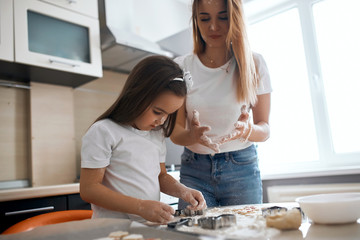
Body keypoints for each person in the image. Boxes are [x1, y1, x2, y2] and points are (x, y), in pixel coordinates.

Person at [79, 55, 206, 224]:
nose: (161, 121)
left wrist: (183, 191)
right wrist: (140, 206)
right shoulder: (104, 131)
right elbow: (89, 189)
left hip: (147, 229)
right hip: (112, 230)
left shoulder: (157, 134)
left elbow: (161, 176)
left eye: (169, 114)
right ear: (137, 95)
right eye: (157, 112)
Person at [170, 0, 272, 208]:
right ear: (196, 21)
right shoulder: (181, 67)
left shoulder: (254, 63)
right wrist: (193, 136)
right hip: (194, 170)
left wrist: (248, 129)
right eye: (204, 18)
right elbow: (176, 133)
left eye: (223, 17)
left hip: (241, 168)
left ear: (235, 19)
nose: (213, 27)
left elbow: (265, 129)